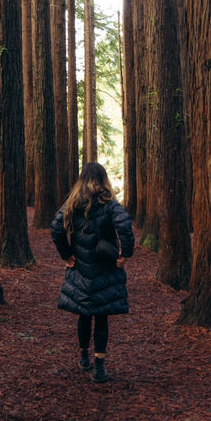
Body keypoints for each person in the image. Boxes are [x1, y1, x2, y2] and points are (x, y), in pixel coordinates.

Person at [50, 162, 135, 383]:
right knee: (102, 315)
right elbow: (125, 226)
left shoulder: (74, 202)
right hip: (105, 266)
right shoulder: (109, 202)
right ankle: (99, 367)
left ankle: (84, 356)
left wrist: (67, 255)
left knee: (84, 312)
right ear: (103, 178)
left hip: (80, 266)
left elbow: (56, 227)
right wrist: (124, 254)